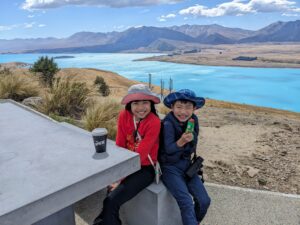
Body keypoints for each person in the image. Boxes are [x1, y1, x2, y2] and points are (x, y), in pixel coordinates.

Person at [93, 84, 161, 225]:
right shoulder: (124, 116)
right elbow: (120, 145)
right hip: (126, 164)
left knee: (111, 200)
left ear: (151, 104)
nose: (141, 108)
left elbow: (141, 155)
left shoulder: (154, 122)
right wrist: (117, 173)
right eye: (136, 103)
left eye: (145, 103)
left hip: (145, 168)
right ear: (129, 104)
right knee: (110, 199)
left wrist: (119, 179)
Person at [159, 89, 211, 225]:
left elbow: (194, 144)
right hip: (170, 168)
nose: (183, 112)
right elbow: (169, 149)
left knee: (204, 201)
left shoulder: (194, 120)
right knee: (186, 202)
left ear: (194, 108)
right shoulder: (167, 124)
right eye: (179, 107)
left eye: (188, 107)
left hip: (187, 166)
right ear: (172, 107)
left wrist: (190, 142)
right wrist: (181, 141)